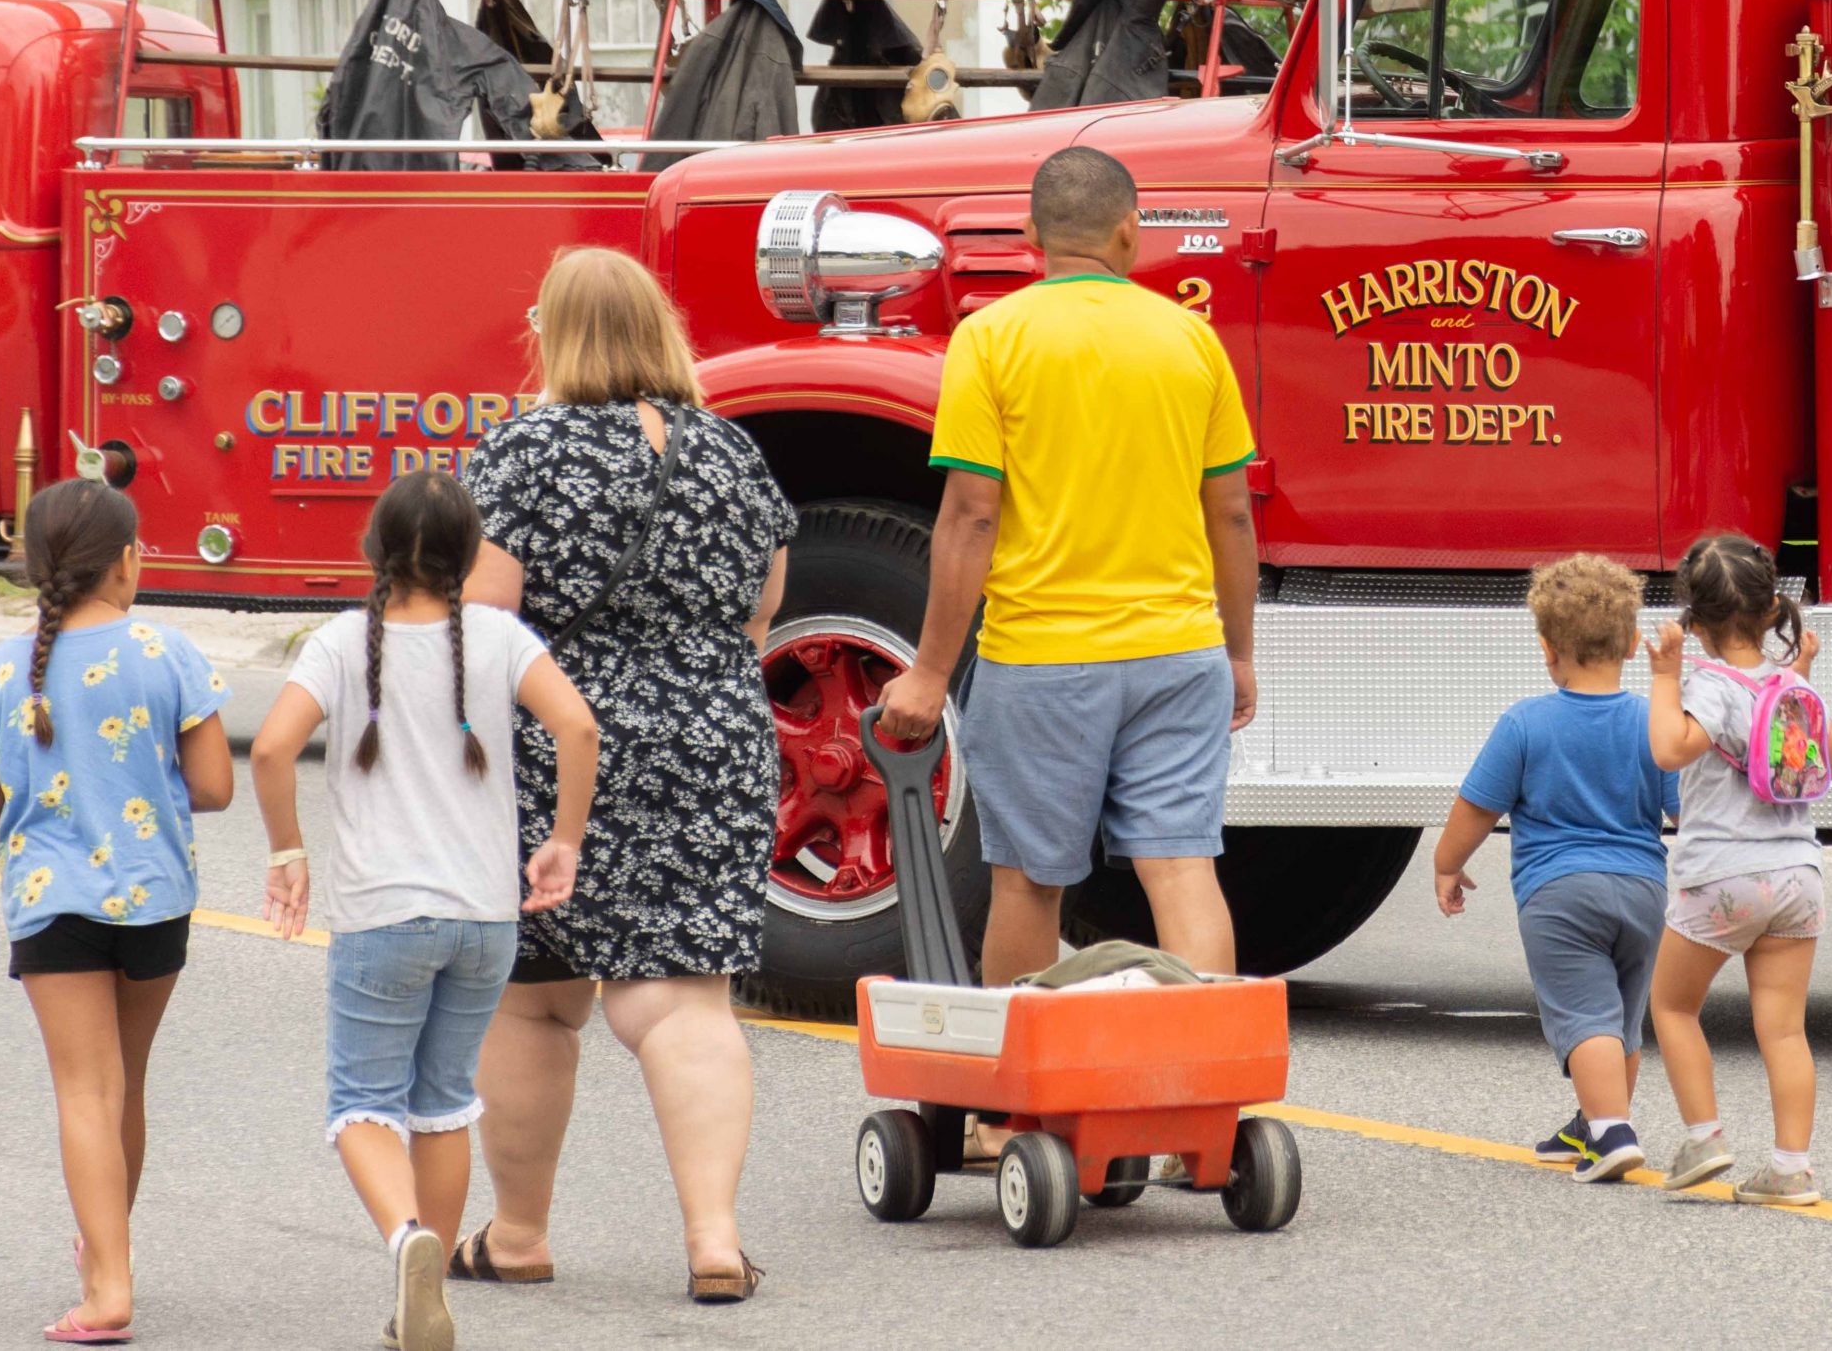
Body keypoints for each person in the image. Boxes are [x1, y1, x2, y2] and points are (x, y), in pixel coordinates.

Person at [458, 247, 795, 1304]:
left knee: (533, 1003)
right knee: (686, 1000)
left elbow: (484, 623)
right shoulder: (731, 452)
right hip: (713, 736)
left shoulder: (522, 453)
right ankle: (712, 1239)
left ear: (553, 335)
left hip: (559, 745)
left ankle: (518, 1233)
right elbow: (761, 607)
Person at [877, 144, 1259, 991]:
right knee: (1183, 868)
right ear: (1131, 232)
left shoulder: (991, 339)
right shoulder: (1191, 339)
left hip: (1042, 660)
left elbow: (972, 513)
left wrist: (931, 672)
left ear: (1030, 234)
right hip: (1177, 651)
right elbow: (1231, 510)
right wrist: (1236, 652)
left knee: (1030, 881)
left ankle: (1014, 1107)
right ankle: (1198, 1088)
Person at [248, 472, 600, 1351]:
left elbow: (274, 747)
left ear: (373, 550)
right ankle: (426, 1298)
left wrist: (288, 851)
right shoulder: (498, 635)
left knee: (362, 1103)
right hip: (485, 917)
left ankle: (408, 1241)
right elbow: (579, 728)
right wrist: (564, 839)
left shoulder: (339, 641)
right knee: (442, 1103)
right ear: (471, 556)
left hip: (381, 917)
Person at [0, 479, 233, 1345]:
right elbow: (214, 785)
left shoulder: (2, 667)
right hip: (157, 896)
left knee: (86, 1090)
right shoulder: (169, 651)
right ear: (127, 559)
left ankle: (108, 1282)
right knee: (124, 1079)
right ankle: (103, 1257)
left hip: (54, 906)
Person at [1432, 554, 1677, 1185]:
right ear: (1629, 642)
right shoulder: (1655, 721)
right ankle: (1589, 1119)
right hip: (1645, 890)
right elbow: (1685, 809)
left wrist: (1447, 863)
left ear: (1547, 649)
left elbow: (1477, 805)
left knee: (1583, 1016)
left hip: (1559, 893)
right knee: (1621, 1017)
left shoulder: (1526, 722)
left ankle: (1613, 1132)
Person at [1647, 532, 1832, 1207]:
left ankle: (1704, 1137)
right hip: (1798, 876)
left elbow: (1672, 749)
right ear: (1771, 613)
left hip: (1723, 876)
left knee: (1673, 1004)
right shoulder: (1789, 684)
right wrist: (1800, 685)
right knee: (1785, 1027)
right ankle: (1792, 1166)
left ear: (1695, 624)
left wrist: (1663, 676)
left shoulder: (1710, 685)